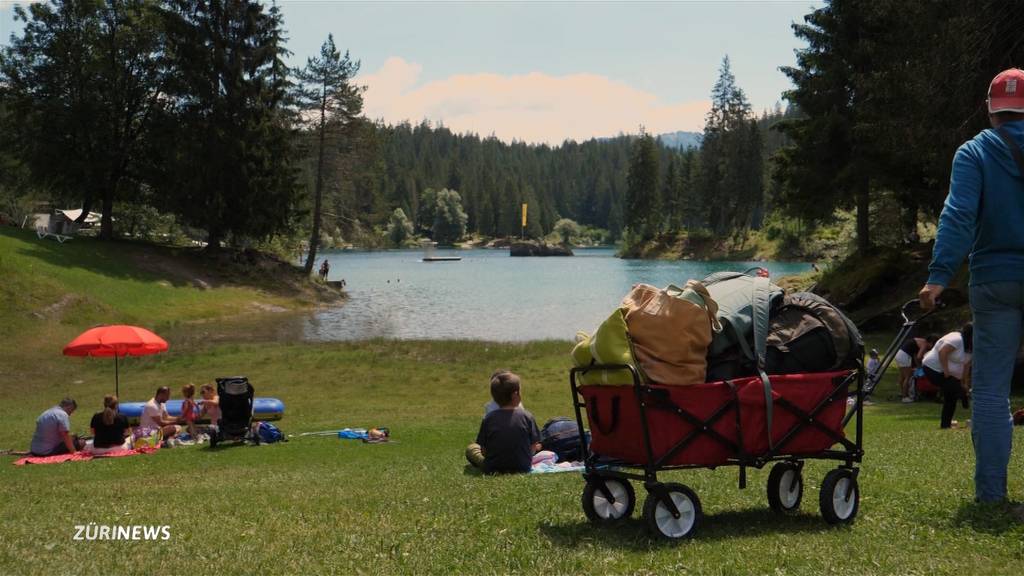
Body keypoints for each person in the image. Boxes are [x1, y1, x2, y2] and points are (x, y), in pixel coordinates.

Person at [919, 68, 1024, 505]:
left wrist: (938, 277)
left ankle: (992, 496)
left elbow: (959, 215)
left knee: (991, 390)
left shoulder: (974, 152)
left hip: (996, 280)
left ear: (990, 108)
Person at [465, 371, 541, 474]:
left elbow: (484, 451)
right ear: (515, 394)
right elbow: (533, 447)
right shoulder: (527, 416)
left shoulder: (488, 418)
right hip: (523, 466)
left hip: (493, 468)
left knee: (472, 448)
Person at [921, 324, 974, 430]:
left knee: (951, 397)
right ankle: (963, 398)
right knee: (955, 391)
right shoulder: (956, 338)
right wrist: (946, 371)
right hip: (932, 368)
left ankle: (945, 425)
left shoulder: (971, 346)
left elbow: (966, 365)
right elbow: (942, 352)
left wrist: (964, 382)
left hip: (948, 373)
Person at [896, 334, 939, 403]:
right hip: (905, 356)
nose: (932, 348)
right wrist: (924, 363)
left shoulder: (919, 341)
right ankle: (905, 397)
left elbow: (915, 356)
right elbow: (919, 357)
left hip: (900, 354)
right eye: (933, 345)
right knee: (908, 377)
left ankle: (903, 393)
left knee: (903, 377)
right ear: (931, 342)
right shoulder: (924, 344)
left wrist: (919, 367)